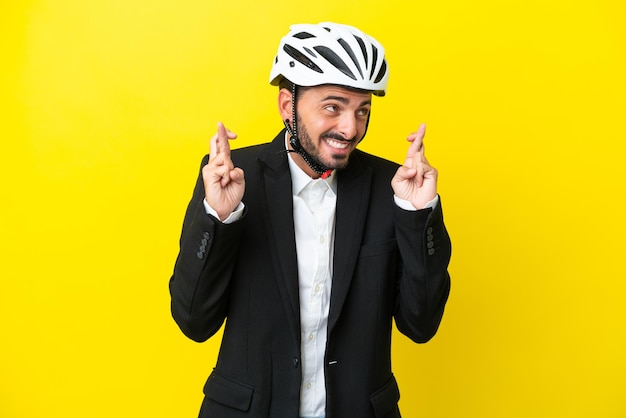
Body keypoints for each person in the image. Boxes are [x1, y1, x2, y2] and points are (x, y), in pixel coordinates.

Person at [169, 22, 451, 418]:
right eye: (333, 107)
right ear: (288, 106)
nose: (351, 129)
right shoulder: (234, 178)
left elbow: (420, 326)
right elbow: (194, 320)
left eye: (362, 111)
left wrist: (416, 214)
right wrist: (220, 216)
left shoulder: (393, 189)